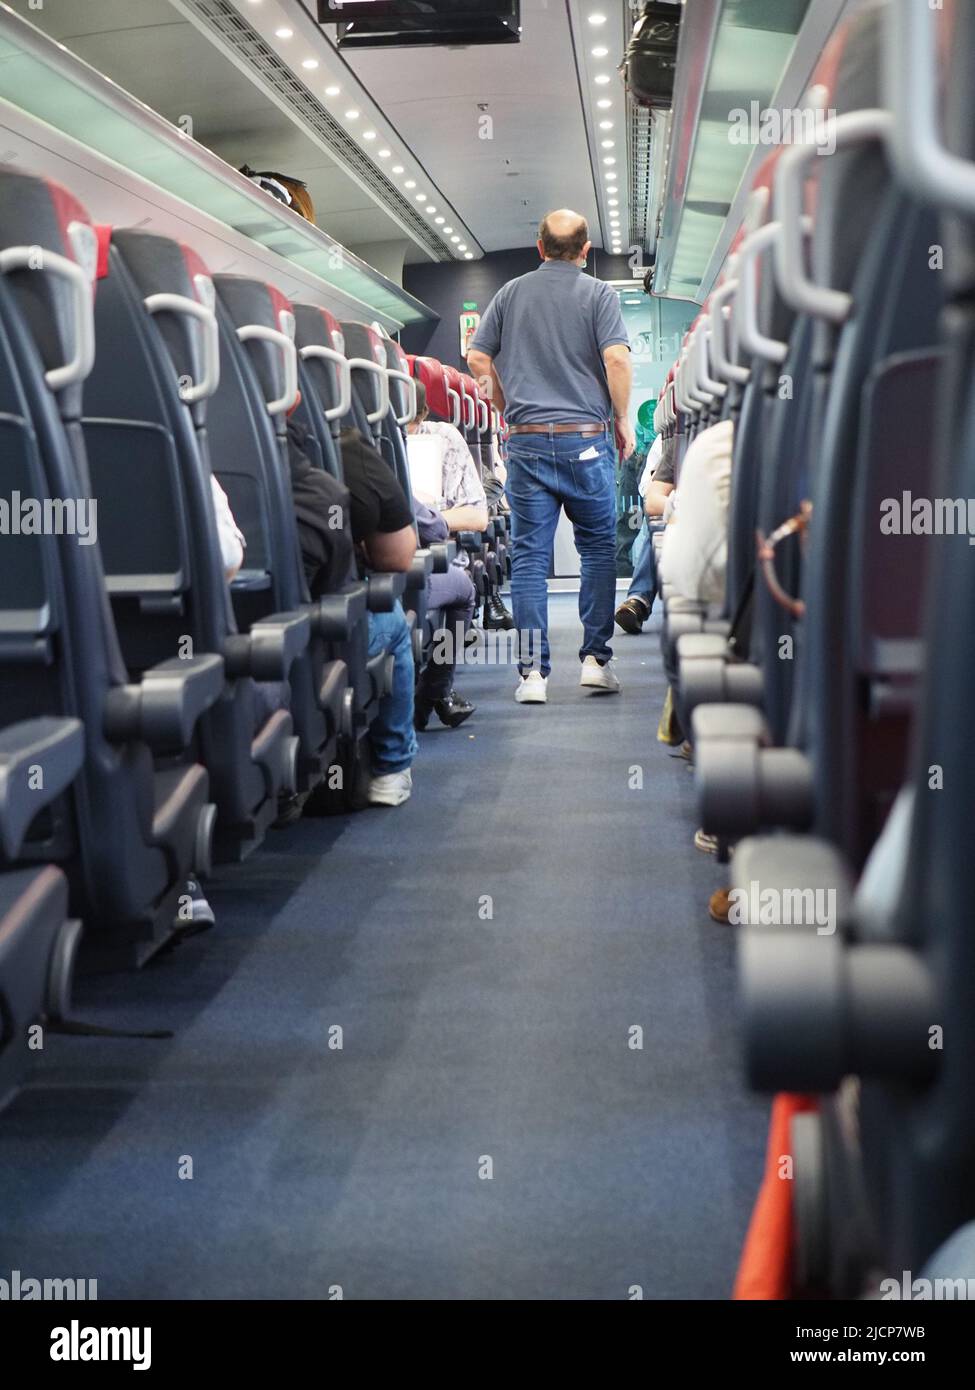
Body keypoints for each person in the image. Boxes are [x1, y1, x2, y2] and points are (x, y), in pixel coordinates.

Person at [467, 208, 634, 705]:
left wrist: (504, 404)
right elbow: (618, 358)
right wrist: (622, 419)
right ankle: (595, 661)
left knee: (530, 558)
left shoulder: (509, 294)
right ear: (586, 251)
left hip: (527, 439)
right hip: (587, 439)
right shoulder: (600, 294)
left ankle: (532, 676)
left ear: (539, 248)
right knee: (599, 550)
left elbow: (478, 357)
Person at [287, 415, 419, 808]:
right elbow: (397, 557)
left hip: (185, 643)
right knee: (392, 618)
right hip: (317, 635)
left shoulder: (178, 450)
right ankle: (392, 767)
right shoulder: (338, 461)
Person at [405, 379, 513, 630]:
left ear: (423, 414)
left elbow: (477, 517)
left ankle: (440, 668)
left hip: (436, 552)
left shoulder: (442, 438)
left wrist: (428, 518)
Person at [615, 432, 666, 634]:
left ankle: (639, 599)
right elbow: (648, 490)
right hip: (680, 507)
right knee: (654, 525)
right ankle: (638, 599)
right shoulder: (669, 441)